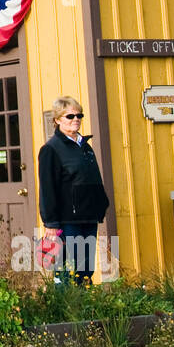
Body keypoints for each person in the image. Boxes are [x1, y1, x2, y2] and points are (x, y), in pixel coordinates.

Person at [37, 96, 109, 284]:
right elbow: (47, 189)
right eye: (70, 116)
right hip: (67, 220)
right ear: (58, 120)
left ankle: (87, 308)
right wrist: (51, 223)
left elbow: (93, 179)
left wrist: (101, 205)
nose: (75, 119)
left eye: (79, 115)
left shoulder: (85, 147)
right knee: (68, 268)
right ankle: (67, 308)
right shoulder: (51, 149)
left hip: (89, 216)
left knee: (86, 269)